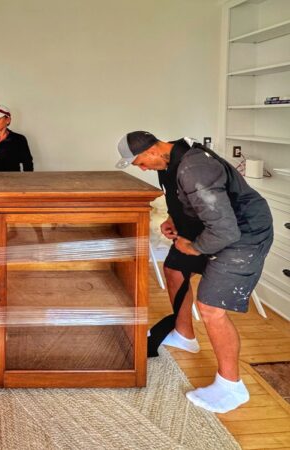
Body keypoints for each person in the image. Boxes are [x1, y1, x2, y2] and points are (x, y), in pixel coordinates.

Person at [116, 131, 273, 414]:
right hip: (211, 230)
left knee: (210, 307)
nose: (140, 168)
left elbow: (225, 230)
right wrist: (172, 219)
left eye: (140, 162)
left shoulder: (195, 168)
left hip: (243, 236)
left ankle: (231, 386)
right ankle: (184, 334)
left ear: (153, 149)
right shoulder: (168, 162)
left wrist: (196, 247)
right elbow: (183, 199)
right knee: (174, 269)